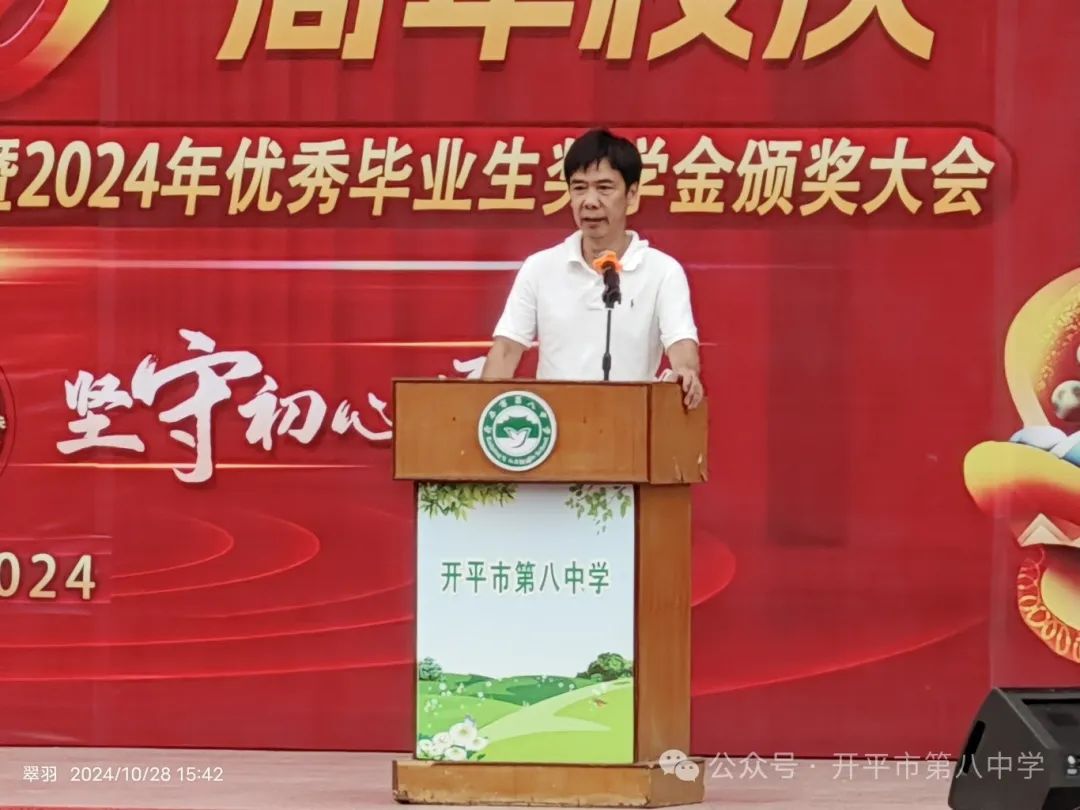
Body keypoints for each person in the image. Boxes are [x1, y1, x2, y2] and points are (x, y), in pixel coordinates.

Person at [480, 128, 704, 409]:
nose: (589, 201)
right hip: (554, 426)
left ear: (632, 194)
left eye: (604, 188)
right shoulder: (540, 267)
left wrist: (685, 373)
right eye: (579, 188)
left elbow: (681, 345)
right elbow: (506, 350)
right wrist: (480, 408)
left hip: (630, 425)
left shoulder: (662, 271)